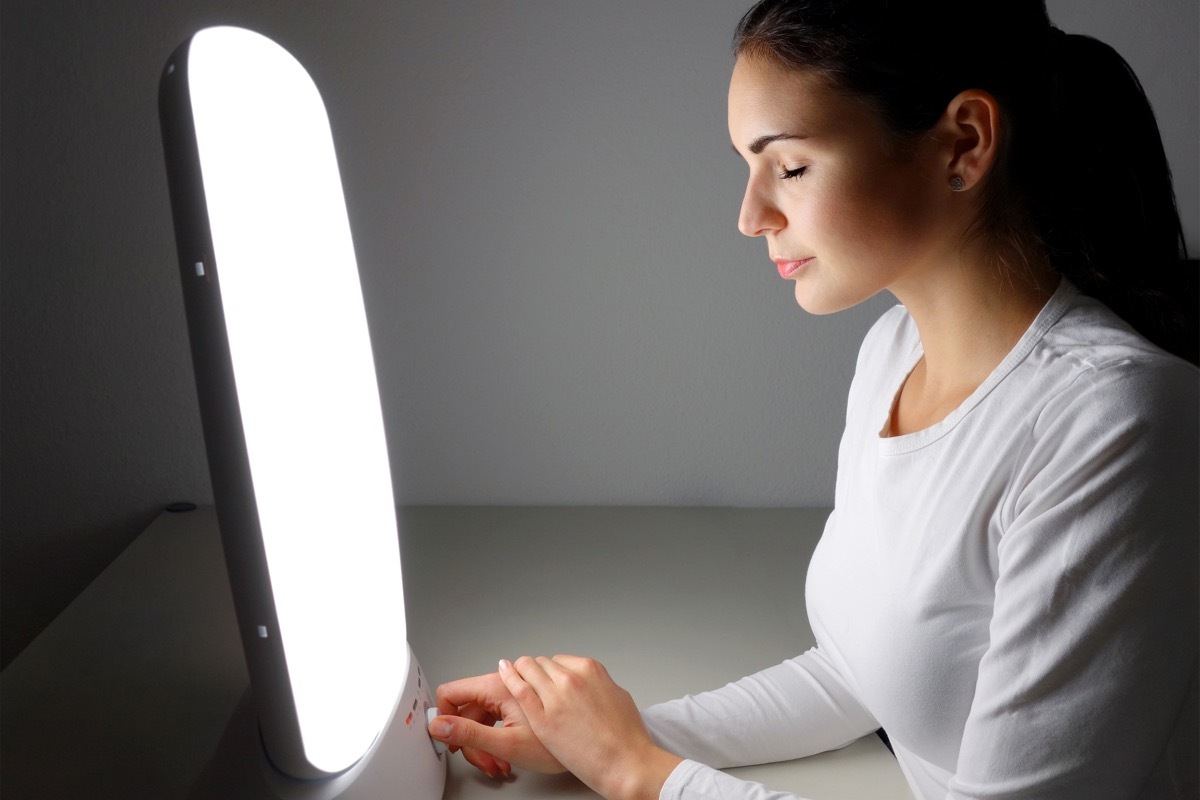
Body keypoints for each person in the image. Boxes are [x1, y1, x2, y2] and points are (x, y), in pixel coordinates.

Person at [426, 1, 1200, 798]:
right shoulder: (891, 355)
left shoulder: (1113, 421)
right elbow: (856, 673)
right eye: (748, 167)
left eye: (790, 167)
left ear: (963, 143)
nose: (750, 216)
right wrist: (601, 737)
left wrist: (641, 774)